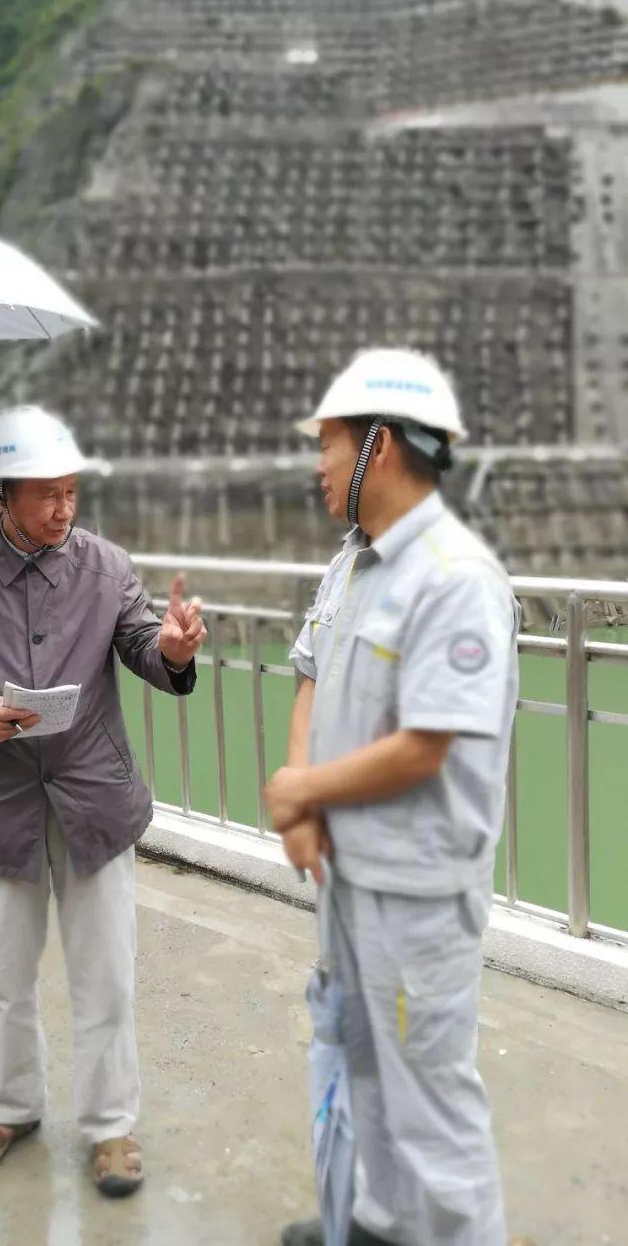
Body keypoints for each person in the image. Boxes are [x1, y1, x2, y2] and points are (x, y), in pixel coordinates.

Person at [0, 404, 205, 1198]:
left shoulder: (107, 567)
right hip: (0, 800)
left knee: (106, 973)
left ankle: (111, 1126)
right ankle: (11, 1108)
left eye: (72, 492)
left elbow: (142, 644)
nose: (62, 509)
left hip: (94, 800)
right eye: (45, 494)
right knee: (6, 974)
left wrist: (172, 650)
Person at [266, 349, 519, 1246]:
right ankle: (380, 1221)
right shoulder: (351, 564)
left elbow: (427, 744)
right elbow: (308, 672)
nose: (318, 463)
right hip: (349, 873)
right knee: (362, 1063)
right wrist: (304, 808)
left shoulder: (457, 578)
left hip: (415, 891)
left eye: (329, 443)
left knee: (433, 1101)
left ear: (380, 444)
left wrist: (301, 788)